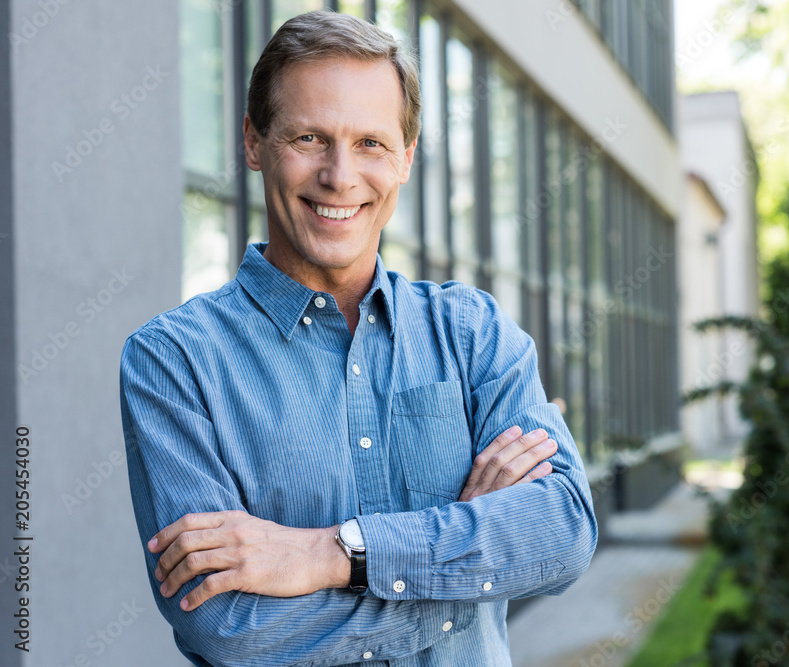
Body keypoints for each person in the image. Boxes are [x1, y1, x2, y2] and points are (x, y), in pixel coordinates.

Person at [119, 10, 597, 667]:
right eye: (310, 138)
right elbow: (230, 627)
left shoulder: (473, 333)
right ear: (254, 143)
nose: (340, 176)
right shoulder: (173, 362)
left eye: (371, 142)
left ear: (407, 156)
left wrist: (331, 553)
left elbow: (564, 531)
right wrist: (469, 559)